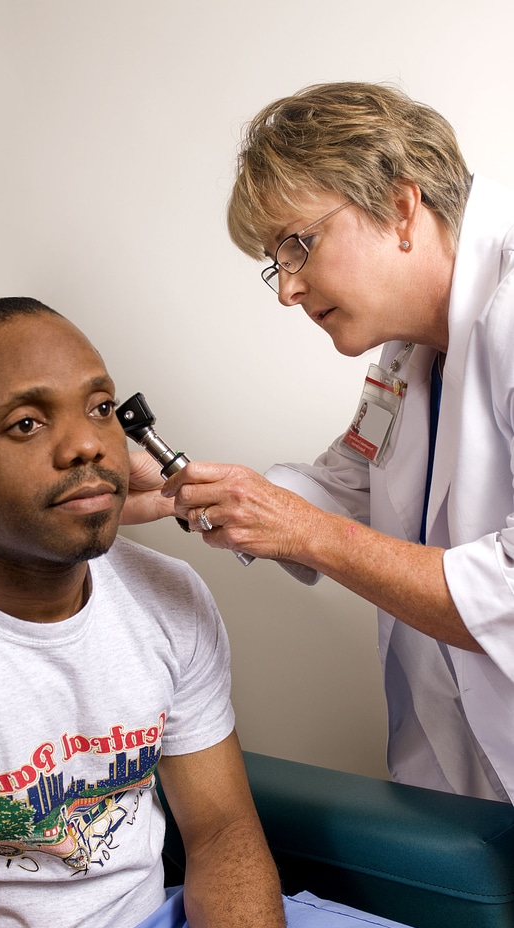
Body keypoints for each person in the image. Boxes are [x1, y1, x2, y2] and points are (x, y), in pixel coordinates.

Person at [0, 297, 457, 928]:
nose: (87, 445)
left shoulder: (168, 596)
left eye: (99, 408)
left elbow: (220, 833)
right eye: (28, 423)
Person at [131, 81, 514, 804]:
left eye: (299, 245)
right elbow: (354, 480)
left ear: (401, 207)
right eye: (278, 261)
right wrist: (174, 487)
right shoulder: (409, 348)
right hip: (460, 784)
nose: (288, 291)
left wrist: (307, 534)